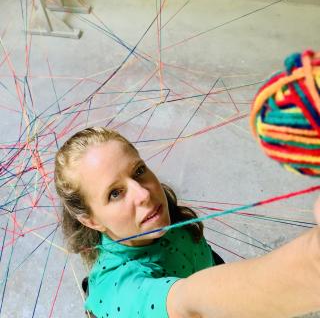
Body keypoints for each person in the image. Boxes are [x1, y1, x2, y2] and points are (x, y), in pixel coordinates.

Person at [54, 126, 320, 318]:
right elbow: (191, 302)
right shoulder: (121, 292)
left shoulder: (160, 221)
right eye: (115, 193)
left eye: (138, 170)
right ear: (90, 220)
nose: (144, 193)